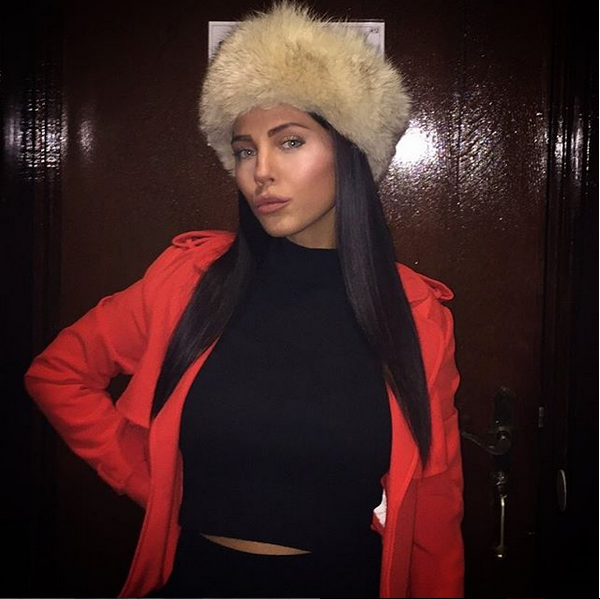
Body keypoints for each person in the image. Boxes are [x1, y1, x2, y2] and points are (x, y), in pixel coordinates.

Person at [24, 1, 464, 597]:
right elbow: (58, 374)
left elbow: (435, 502)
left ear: (352, 152)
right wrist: (154, 481)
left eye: (290, 141)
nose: (261, 171)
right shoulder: (189, 280)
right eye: (244, 149)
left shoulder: (415, 314)